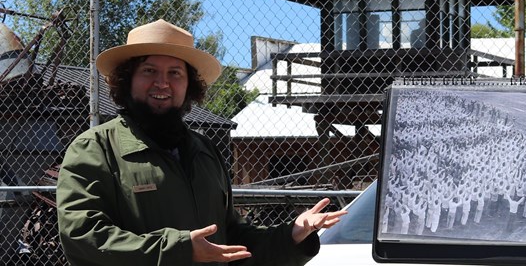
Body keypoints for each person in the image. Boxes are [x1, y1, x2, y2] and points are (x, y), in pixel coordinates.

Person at [56, 19, 346, 265]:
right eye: (149, 71)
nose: (162, 83)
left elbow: (232, 239)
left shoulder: (204, 150)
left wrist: (292, 234)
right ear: (126, 80)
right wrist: (181, 248)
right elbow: (82, 236)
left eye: (175, 73)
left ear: (189, 85)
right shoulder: (95, 148)